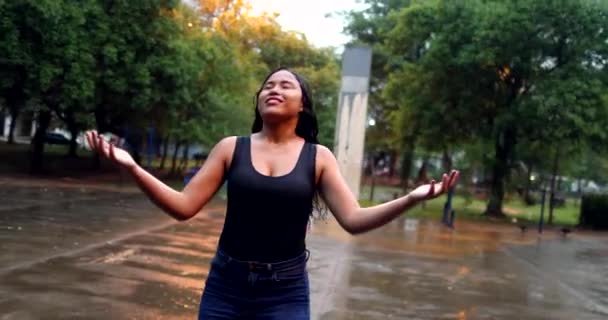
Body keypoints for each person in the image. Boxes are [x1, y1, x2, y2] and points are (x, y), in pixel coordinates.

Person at [85, 67, 459, 319]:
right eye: (268, 85)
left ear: (303, 104)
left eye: (285, 85)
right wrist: (133, 167)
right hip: (226, 286)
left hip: (286, 291)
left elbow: (354, 219)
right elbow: (184, 207)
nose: (273, 90)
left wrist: (411, 198)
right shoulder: (232, 147)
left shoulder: (318, 157)